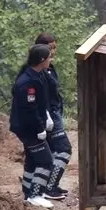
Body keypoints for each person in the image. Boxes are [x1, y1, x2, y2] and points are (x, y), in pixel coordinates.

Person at [10, 44, 58, 209]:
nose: (51, 60)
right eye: (49, 57)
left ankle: (28, 191)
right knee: (46, 161)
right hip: (28, 128)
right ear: (42, 60)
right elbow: (29, 109)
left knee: (32, 159)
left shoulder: (38, 75)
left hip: (32, 125)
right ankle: (35, 194)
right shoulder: (27, 82)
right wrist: (39, 129)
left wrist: (46, 117)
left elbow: (41, 102)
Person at [33, 33, 70, 200]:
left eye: (55, 47)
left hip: (54, 113)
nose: (54, 51)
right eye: (50, 48)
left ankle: (47, 185)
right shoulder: (38, 71)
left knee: (54, 151)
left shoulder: (50, 68)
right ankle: (49, 187)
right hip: (49, 116)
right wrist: (45, 115)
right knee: (64, 149)